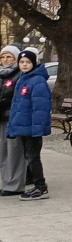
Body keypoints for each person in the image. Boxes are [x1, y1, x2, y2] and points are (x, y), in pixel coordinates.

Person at [7, 50, 51, 201]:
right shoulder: (23, 79)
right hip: (24, 127)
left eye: (28, 62)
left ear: (34, 63)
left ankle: (41, 186)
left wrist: (37, 129)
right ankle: (33, 181)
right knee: (29, 156)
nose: (24, 65)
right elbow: (17, 105)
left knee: (33, 157)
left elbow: (41, 108)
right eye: (22, 62)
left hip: (32, 128)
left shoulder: (37, 81)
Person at [0, 45, 25, 197]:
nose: (5, 60)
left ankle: (15, 185)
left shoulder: (20, 74)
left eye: (9, 56)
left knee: (14, 152)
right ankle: (5, 182)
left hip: (13, 117)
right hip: (1, 118)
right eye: (2, 57)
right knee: (2, 153)